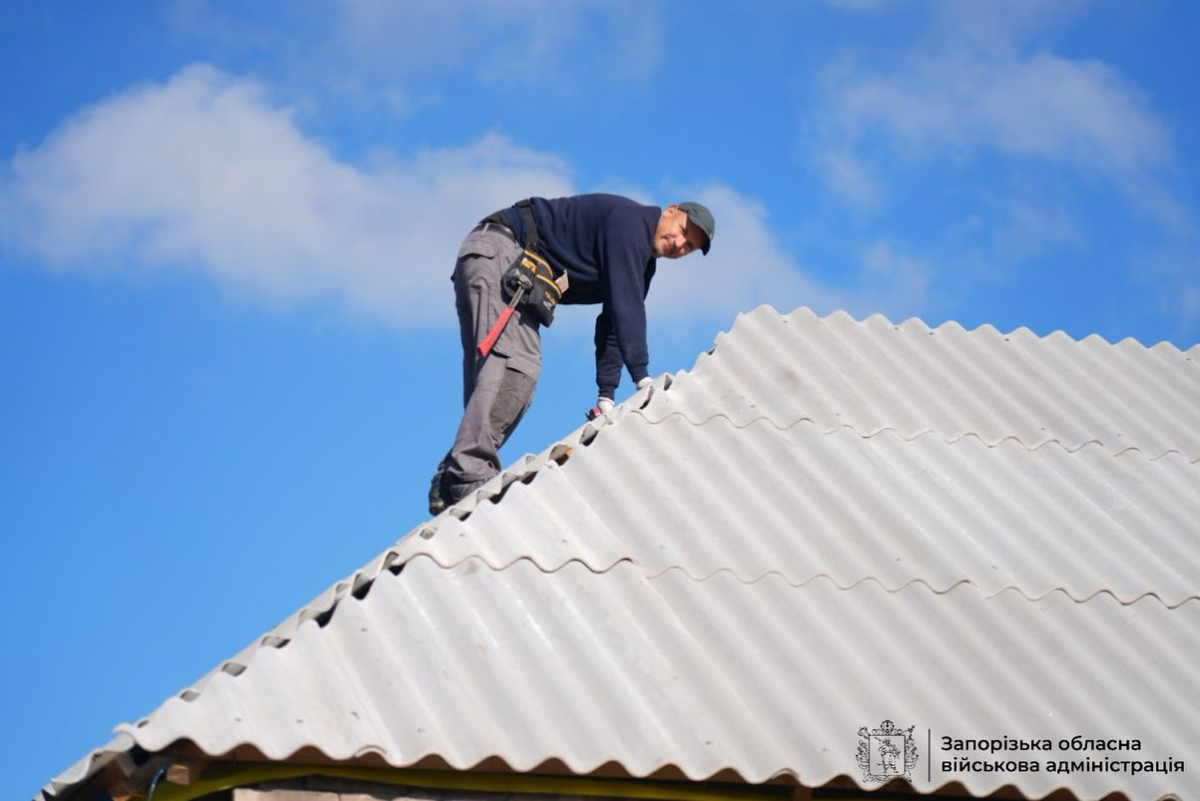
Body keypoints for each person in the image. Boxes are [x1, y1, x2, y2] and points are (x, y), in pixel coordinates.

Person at [428, 193, 715, 515]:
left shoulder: (641, 259)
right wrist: (643, 378)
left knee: (499, 375)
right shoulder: (632, 224)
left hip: (497, 261)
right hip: (502, 254)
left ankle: (451, 479)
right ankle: (468, 470)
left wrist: (606, 395)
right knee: (515, 367)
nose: (680, 244)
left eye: (689, 246)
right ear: (670, 211)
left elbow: (613, 323)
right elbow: (628, 308)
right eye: (682, 231)